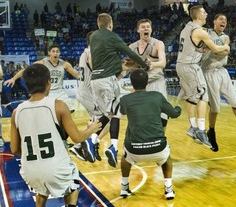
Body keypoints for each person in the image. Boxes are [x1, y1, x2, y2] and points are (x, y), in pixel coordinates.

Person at [10, 64, 102, 207]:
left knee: (42, 187)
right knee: (72, 182)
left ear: (26, 84)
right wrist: (92, 129)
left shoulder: (17, 111)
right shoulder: (58, 105)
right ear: (49, 82)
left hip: (29, 171)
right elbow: (77, 138)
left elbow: (14, 149)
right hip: (55, 168)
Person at [89, 13, 148, 168]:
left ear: (98, 24)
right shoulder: (112, 36)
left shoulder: (93, 37)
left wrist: (120, 61)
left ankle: (94, 141)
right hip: (107, 80)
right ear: (110, 24)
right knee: (116, 114)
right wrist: (143, 64)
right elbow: (129, 52)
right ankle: (109, 146)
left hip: (95, 80)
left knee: (109, 115)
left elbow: (107, 55)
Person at [119, 69, 181, 199]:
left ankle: (124, 188)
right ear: (147, 82)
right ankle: (168, 189)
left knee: (125, 158)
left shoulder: (125, 99)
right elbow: (174, 114)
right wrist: (179, 107)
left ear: (131, 83)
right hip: (158, 147)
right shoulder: (157, 96)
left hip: (134, 149)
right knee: (166, 157)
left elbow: (123, 112)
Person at [176, 5, 229, 148]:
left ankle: (192, 126)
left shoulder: (187, 27)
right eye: (204, 12)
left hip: (180, 65)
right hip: (191, 66)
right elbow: (217, 49)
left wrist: (200, 49)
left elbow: (192, 45)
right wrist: (226, 47)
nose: (206, 14)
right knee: (203, 96)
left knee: (192, 97)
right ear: (199, 15)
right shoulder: (200, 31)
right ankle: (201, 130)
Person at [200, 13, 236, 152]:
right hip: (209, 72)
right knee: (215, 108)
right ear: (214, 21)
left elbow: (226, 52)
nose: (224, 21)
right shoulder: (206, 33)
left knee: (235, 102)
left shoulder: (226, 37)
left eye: (225, 20)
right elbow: (218, 50)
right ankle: (211, 132)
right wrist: (219, 49)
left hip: (222, 71)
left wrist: (217, 49)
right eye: (221, 19)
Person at [70, 31, 109, 163]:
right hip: (88, 92)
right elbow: (96, 67)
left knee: (98, 121)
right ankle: (90, 142)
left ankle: (80, 145)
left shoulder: (86, 51)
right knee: (108, 116)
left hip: (86, 91)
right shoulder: (91, 52)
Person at [129, 18, 168, 131]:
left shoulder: (158, 43)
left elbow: (163, 62)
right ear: (138, 30)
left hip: (156, 81)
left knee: (162, 112)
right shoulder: (132, 47)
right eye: (143, 27)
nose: (146, 29)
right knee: (143, 115)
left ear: (151, 29)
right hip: (141, 86)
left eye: (148, 27)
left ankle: (162, 139)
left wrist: (152, 64)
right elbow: (129, 67)